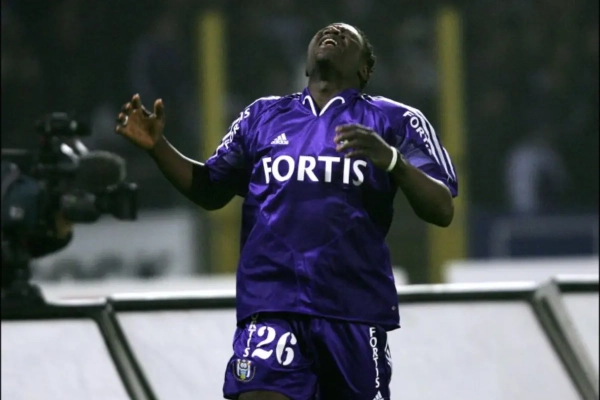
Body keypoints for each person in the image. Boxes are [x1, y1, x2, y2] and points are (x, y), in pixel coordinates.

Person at [116, 23, 457, 400]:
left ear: (364, 70)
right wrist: (158, 147)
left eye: (348, 35)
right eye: (324, 32)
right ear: (307, 64)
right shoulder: (262, 116)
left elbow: (442, 209)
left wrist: (393, 161)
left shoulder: (395, 120)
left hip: (354, 311)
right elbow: (211, 190)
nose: (333, 32)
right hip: (272, 305)